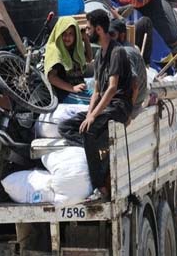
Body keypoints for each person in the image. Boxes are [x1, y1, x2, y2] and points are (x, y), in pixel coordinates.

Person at [58, 10, 133, 200]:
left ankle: (100, 187)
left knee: (88, 131)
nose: (86, 31)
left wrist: (92, 118)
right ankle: (96, 149)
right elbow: (98, 91)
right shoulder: (100, 56)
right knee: (66, 126)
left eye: (89, 28)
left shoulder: (117, 52)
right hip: (104, 106)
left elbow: (112, 89)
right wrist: (89, 113)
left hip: (118, 107)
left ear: (99, 29)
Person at [44, 16, 90, 103]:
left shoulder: (72, 49)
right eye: (64, 33)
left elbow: (88, 58)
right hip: (65, 93)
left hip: (78, 88)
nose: (67, 37)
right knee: (97, 102)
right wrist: (72, 88)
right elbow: (51, 77)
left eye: (71, 34)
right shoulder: (56, 51)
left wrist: (86, 39)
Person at [108, 19, 148, 111]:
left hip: (133, 102)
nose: (109, 38)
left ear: (122, 36)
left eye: (112, 35)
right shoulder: (128, 47)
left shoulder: (124, 52)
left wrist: (129, 112)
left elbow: (135, 85)